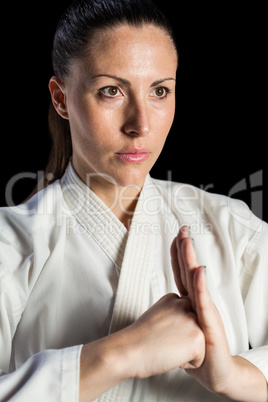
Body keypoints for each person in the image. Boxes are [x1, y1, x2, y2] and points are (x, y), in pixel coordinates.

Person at [0, 0, 267, 400]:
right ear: (60, 98)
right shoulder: (10, 241)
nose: (140, 124)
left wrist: (231, 374)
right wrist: (121, 354)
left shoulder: (233, 228)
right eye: (111, 91)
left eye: (160, 91)